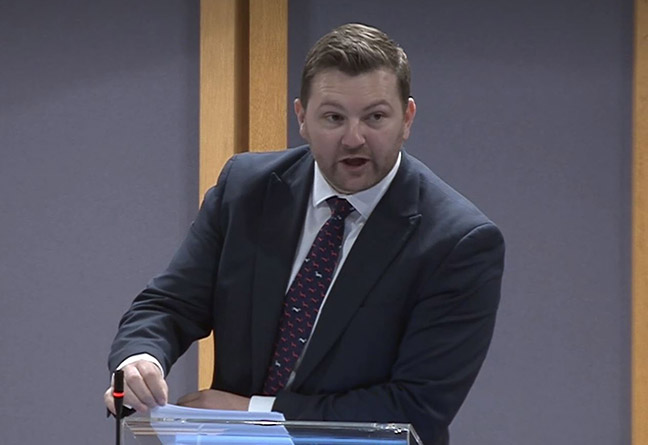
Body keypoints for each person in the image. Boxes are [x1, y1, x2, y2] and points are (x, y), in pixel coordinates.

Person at [104, 23, 504, 445]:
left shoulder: (458, 242)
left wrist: (256, 413)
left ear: (406, 119)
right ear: (302, 118)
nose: (354, 138)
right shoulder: (246, 189)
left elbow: (417, 407)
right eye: (334, 117)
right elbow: (170, 303)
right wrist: (139, 358)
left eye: (375, 117)